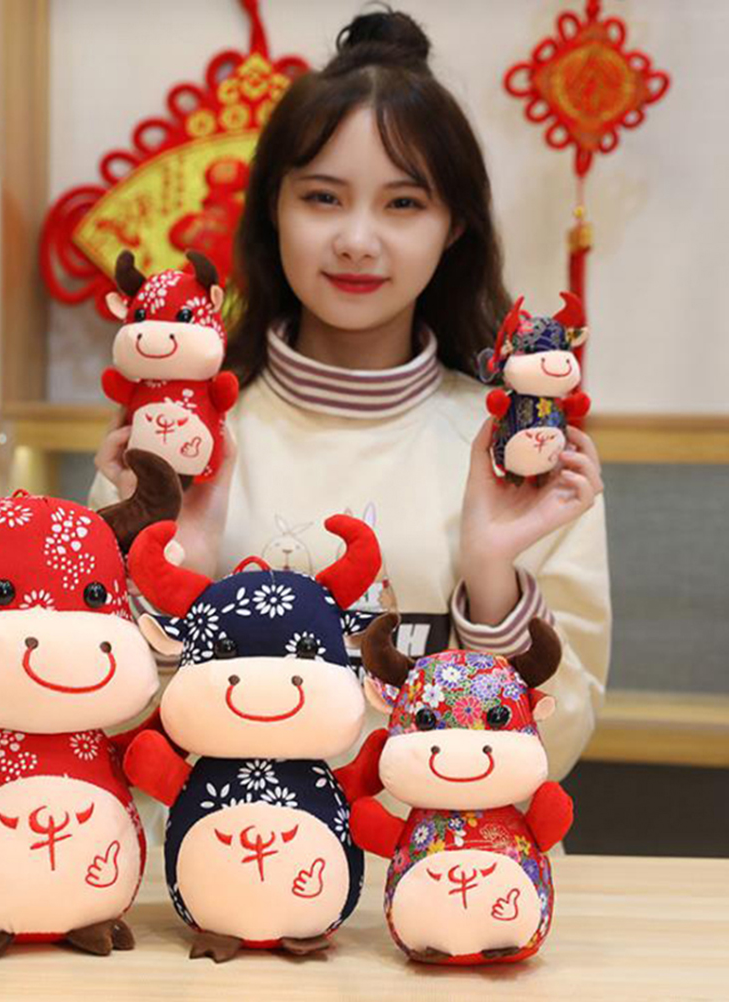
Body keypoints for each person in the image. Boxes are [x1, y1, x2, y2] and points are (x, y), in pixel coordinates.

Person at [90, 9, 609, 784]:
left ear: (454, 226)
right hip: (213, 856)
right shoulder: (175, 440)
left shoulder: (522, 458)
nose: (357, 241)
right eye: (323, 198)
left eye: (403, 204)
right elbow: (100, 723)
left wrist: (492, 581)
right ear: (273, 209)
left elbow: (553, 744)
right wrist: (172, 575)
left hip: (445, 859)